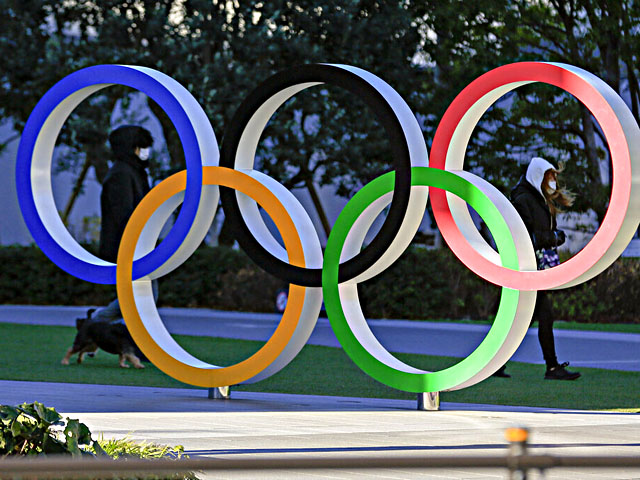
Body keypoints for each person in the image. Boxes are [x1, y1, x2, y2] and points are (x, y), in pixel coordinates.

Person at [509, 156, 580, 380]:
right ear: (539, 176)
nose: (553, 182)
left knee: (526, 318)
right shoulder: (523, 199)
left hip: (537, 267)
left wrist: (553, 237)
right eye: (550, 177)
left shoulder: (540, 199)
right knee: (538, 317)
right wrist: (554, 238)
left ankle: (549, 366)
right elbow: (526, 236)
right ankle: (551, 367)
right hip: (528, 267)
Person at [91, 124, 157, 324]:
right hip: (129, 246)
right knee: (140, 298)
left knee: (141, 298)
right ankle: (95, 323)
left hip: (137, 245)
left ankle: (97, 325)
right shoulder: (122, 174)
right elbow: (125, 215)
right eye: (141, 147)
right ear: (132, 148)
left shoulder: (132, 172)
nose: (145, 152)